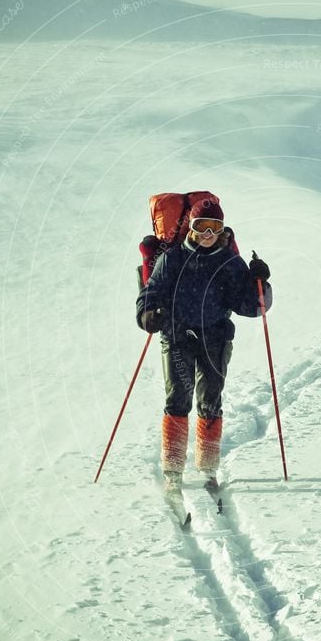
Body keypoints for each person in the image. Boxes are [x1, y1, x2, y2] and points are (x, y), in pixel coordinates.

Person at [136, 195, 272, 493]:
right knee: (177, 401)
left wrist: (260, 282)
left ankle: (208, 470)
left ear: (222, 230)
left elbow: (252, 307)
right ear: (191, 229)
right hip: (176, 337)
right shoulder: (171, 259)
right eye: (202, 226)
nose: (208, 234)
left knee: (211, 402)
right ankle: (173, 471)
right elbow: (150, 293)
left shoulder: (230, 263)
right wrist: (147, 314)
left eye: (215, 227)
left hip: (215, 338)